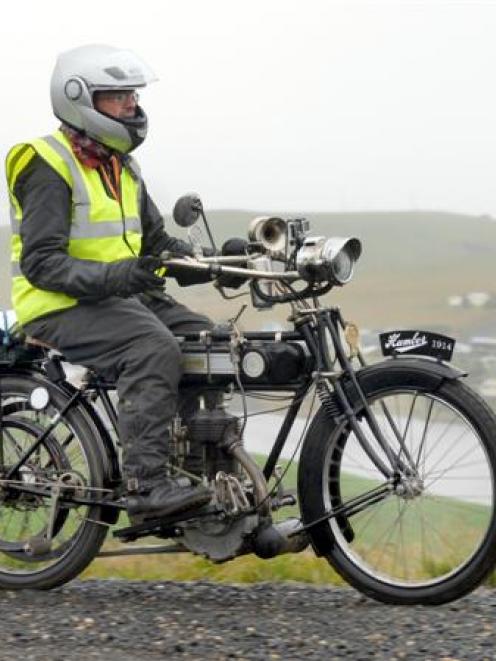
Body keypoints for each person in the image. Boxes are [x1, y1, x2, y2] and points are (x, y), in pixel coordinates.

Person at [5, 44, 213, 522]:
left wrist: (212, 261)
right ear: (79, 99)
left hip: (120, 297)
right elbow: (41, 263)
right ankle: (146, 485)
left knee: (207, 339)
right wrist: (121, 276)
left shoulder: (123, 165)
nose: (132, 107)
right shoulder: (47, 164)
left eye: (132, 97)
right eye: (117, 98)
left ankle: (194, 470)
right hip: (58, 304)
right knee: (152, 348)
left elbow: (155, 244)